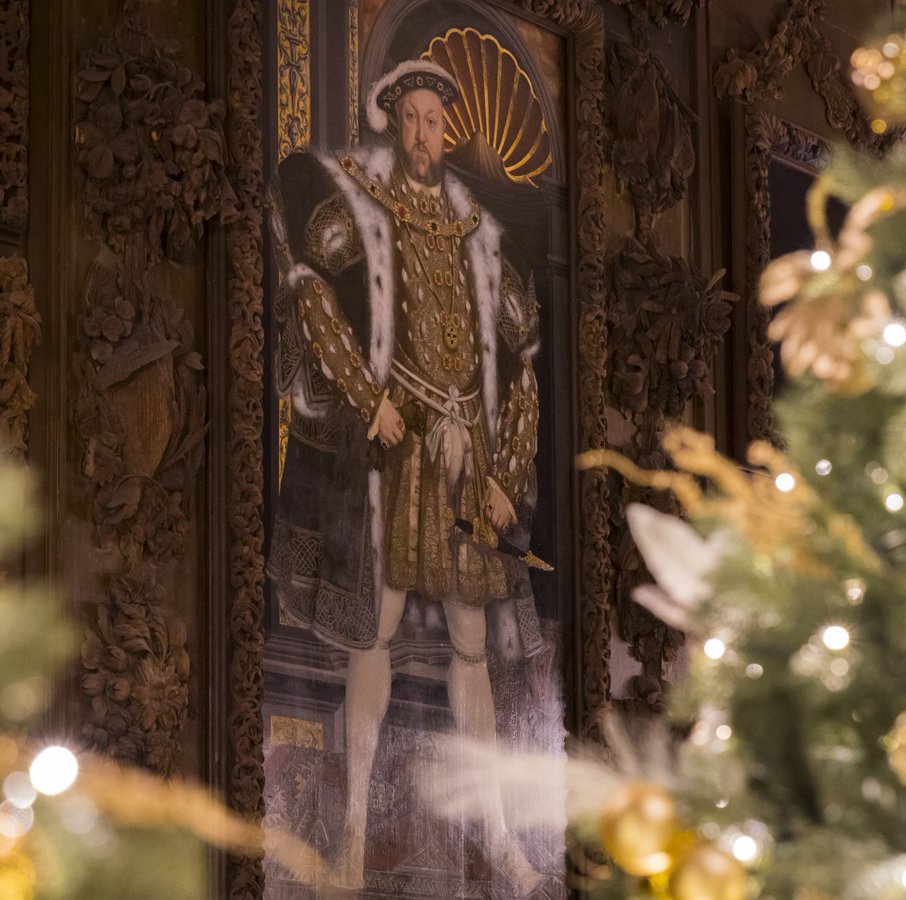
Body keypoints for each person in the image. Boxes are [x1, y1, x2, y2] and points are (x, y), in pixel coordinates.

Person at [266, 57, 542, 894]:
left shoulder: (479, 232)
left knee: (471, 647)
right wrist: (369, 400)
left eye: (436, 120)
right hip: (398, 447)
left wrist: (506, 472)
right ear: (394, 121)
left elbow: (524, 369)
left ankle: (500, 839)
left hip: (466, 455)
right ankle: (352, 837)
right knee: (375, 634)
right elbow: (311, 297)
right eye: (413, 118)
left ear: (447, 130)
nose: (426, 134)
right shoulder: (362, 205)